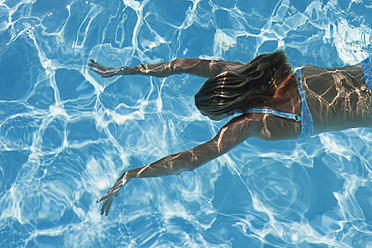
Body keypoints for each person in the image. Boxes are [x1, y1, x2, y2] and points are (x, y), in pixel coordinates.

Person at [88, 51, 372, 216]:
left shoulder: (251, 123)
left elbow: (188, 160)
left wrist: (131, 174)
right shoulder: (258, 75)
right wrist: (127, 71)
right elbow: (184, 66)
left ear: (227, 113)